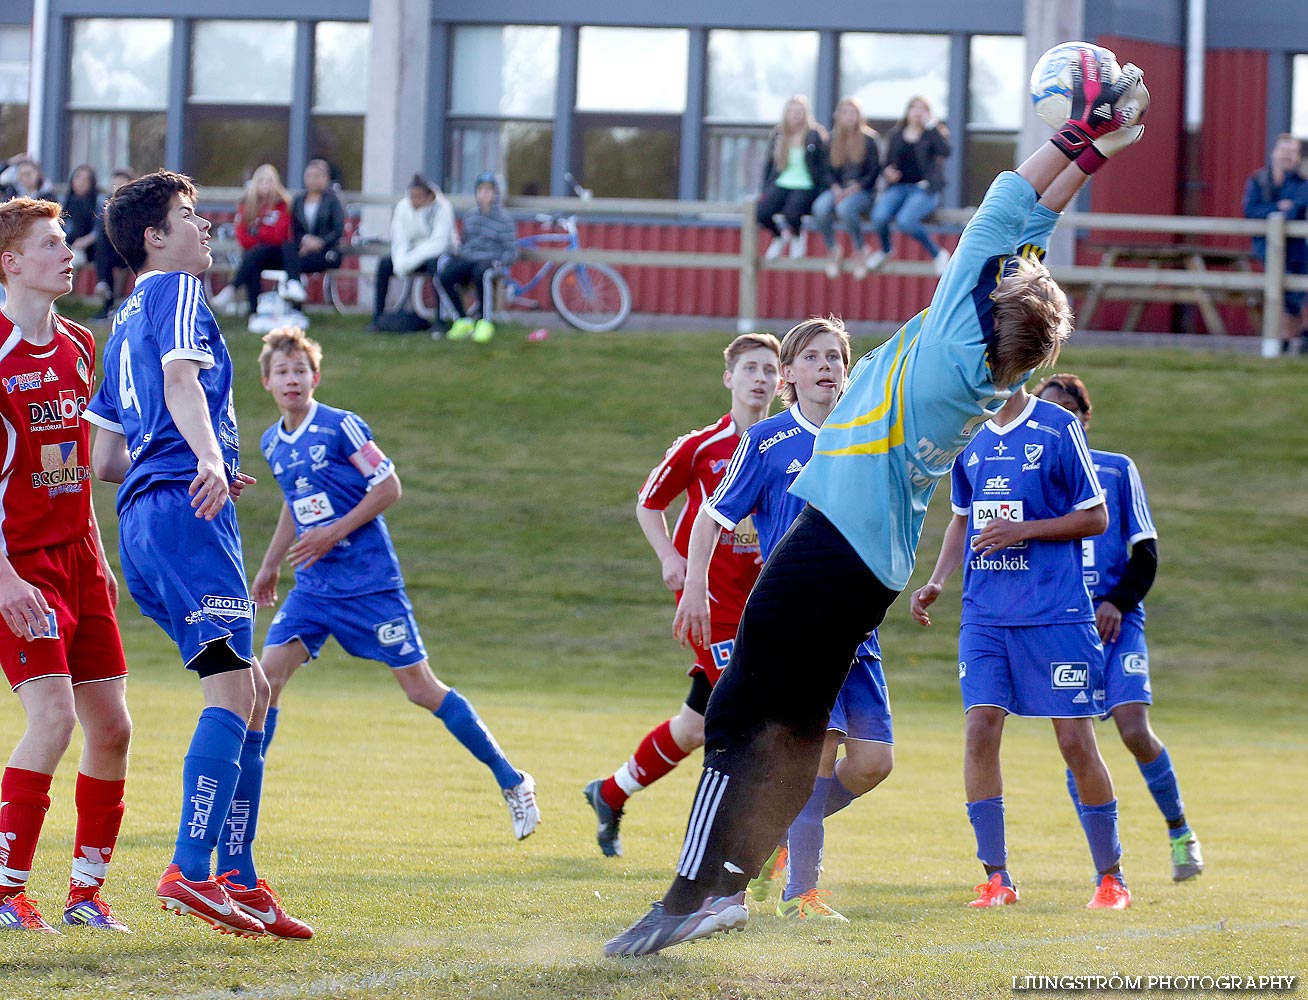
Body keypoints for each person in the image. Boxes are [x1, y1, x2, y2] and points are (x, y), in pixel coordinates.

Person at [602, 50, 1148, 956]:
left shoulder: (951, 328)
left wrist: (1083, 131)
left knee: (737, 713)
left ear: (987, 300)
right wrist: (1099, 150)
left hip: (829, 548)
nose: (1005, 262)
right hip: (871, 568)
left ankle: (687, 896)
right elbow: (1034, 224)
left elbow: (1016, 197)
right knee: (795, 726)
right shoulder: (982, 358)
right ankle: (730, 890)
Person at [85, 169, 310, 939]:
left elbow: (106, 456)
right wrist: (207, 460)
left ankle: (239, 879)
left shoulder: (120, 322)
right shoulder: (177, 291)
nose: (205, 226)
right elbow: (182, 381)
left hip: (144, 518)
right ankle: (191, 868)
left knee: (252, 689)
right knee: (231, 689)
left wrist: (195, 452)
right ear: (154, 237)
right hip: (186, 509)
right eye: (188, 216)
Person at [250, 326, 540, 840]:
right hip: (315, 588)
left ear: (315, 377)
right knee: (265, 680)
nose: (292, 379)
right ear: (267, 383)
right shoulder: (272, 442)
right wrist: (272, 563)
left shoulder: (342, 428)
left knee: (420, 690)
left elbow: (389, 487)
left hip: (369, 584)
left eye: (300, 370)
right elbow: (295, 508)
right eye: (282, 372)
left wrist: (333, 533)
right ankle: (242, 796)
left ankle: (512, 780)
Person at [676, 318, 893, 923]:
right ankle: (802, 892)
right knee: (816, 752)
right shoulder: (770, 441)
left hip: (858, 624)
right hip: (800, 627)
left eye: (836, 358)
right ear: (789, 375)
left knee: (874, 761)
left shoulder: (863, 436)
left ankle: (765, 836)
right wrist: (694, 586)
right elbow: (711, 518)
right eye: (813, 358)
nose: (827, 367)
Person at [909, 376, 1131, 911]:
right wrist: (939, 580)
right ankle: (997, 878)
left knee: (1076, 744)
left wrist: (1024, 529)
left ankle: (1111, 878)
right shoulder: (966, 434)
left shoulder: (1058, 428)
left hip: (1055, 614)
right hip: (985, 615)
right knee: (980, 728)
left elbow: (1096, 516)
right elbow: (963, 519)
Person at [582, 333, 781, 858]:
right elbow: (650, 504)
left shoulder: (790, 446)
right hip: (710, 606)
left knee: (695, 725)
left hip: (767, 605)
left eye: (769, 370)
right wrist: (671, 559)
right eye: (750, 369)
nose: (760, 379)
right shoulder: (700, 447)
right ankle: (756, 852)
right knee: (752, 719)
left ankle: (609, 793)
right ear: (729, 378)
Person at [0, 197, 132, 934]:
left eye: (65, 242)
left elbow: (75, 464)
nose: (66, 252)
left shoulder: (82, 343)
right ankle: (7, 891)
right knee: (50, 718)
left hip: (80, 556)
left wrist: (99, 552)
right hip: (20, 565)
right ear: (11, 262)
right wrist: (6, 579)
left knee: (110, 727)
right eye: (50, 243)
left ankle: (86, 896)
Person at [1033, 373, 1204, 882]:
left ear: (1084, 417)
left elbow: (1145, 553)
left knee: (1134, 730)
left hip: (1117, 623)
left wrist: (1117, 602)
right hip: (1063, 626)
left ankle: (1180, 832)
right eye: (1046, 411)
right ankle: (1106, 865)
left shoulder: (1115, 469)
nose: (1055, 421)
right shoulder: (1035, 474)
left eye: (1065, 411)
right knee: (1075, 744)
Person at [867, 96, 953, 275]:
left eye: (922, 109)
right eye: (914, 108)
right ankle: (885, 250)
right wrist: (889, 172)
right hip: (899, 187)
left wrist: (931, 128)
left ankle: (938, 254)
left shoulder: (933, 134)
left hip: (924, 189)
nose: (917, 112)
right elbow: (886, 162)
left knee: (905, 220)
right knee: (879, 215)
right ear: (908, 111)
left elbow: (945, 151)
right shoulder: (897, 134)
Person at [1242, 133, 1308, 354]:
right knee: (1280, 291)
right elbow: (1250, 210)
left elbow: (1295, 210)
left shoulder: (1301, 183)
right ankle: (1284, 339)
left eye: (1292, 152)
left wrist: (1273, 209)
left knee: (1296, 293)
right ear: (1274, 153)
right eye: (1284, 151)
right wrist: (1278, 207)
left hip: (1297, 250)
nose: (1288, 156)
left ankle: (1293, 338)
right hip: (1266, 247)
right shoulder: (1259, 180)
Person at [436, 171, 517, 343]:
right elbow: (465, 243)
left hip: (491, 260)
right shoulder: (470, 216)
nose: (484, 194)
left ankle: (484, 322)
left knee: (483, 273)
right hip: (469, 257)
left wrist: (501, 260)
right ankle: (462, 320)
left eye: (488, 190)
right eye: (480, 190)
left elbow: (511, 250)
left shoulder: (505, 219)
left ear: (495, 193)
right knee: (443, 275)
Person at [371, 174, 455, 330]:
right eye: (412, 196)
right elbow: (399, 239)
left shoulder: (442, 208)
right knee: (384, 265)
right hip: (409, 255)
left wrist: (408, 261)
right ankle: (377, 319)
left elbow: (439, 243)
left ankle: (439, 321)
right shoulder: (402, 207)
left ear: (429, 196)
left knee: (436, 269)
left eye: (419, 197)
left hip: (436, 255)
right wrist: (401, 262)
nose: (415, 201)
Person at [811, 98, 881, 280]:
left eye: (854, 113)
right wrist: (835, 188)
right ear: (839, 116)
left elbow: (874, 171)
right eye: (846, 113)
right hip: (837, 188)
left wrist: (854, 188)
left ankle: (860, 249)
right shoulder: (831, 139)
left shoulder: (869, 140)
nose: (850, 117)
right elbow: (824, 169)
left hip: (862, 191)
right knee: (820, 207)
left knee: (845, 209)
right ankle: (832, 248)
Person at [212, 164, 292, 315]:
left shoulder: (282, 205)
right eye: (262, 181)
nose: (265, 185)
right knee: (253, 259)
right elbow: (243, 238)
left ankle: (231, 289)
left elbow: (278, 236)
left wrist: (258, 232)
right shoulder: (246, 205)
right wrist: (264, 233)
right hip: (254, 254)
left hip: (278, 255)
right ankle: (254, 312)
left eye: (269, 181)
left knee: (256, 253)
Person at [757, 96, 827, 262]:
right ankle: (779, 236)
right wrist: (764, 189)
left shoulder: (814, 135)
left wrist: (821, 188)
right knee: (761, 212)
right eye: (792, 111)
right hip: (782, 181)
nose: (796, 115)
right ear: (786, 113)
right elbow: (769, 163)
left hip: (806, 183)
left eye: (800, 111)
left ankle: (796, 236)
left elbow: (823, 164)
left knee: (792, 213)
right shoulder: (778, 134)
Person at [280, 159, 345, 305]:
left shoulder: (333, 201)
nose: (313, 180)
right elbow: (294, 228)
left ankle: (295, 307)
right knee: (288, 249)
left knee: (293, 266)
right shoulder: (298, 200)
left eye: (317, 176)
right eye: (309, 176)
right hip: (304, 250)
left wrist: (320, 242)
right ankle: (294, 297)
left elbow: (338, 230)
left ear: (326, 178)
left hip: (327, 252)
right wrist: (305, 241)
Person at [90, 168, 135, 321]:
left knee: (104, 250)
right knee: (102, 247)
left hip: (132, 250)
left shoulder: (137, 204)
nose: (118, 189)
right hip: (112, 251)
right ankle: (106, 294)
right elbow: (100, 230)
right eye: (115, 185)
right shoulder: (106, 203)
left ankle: (105, 293)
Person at [59, 165, 103, 272]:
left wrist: (86, 240)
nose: (81, 182)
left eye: (86, 179)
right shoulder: (64, 201)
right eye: (78, 178)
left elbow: (99, 229)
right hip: (66, 244)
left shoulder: (99, 202)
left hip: (90, 248)